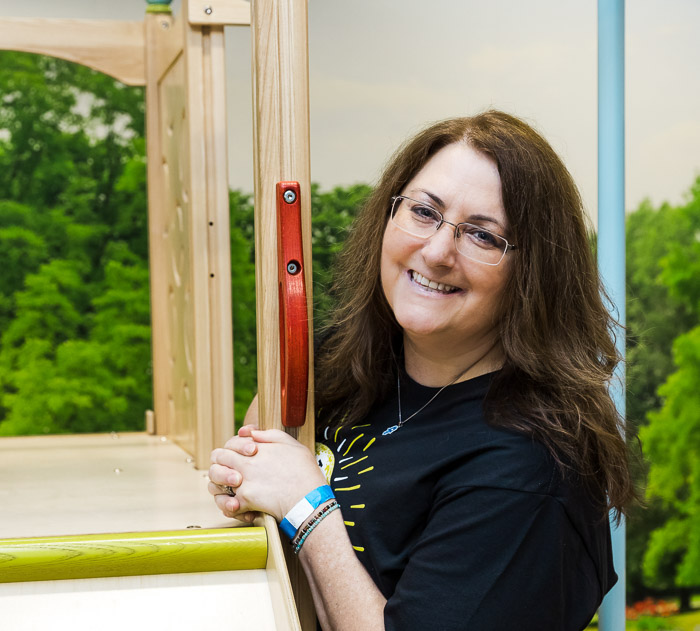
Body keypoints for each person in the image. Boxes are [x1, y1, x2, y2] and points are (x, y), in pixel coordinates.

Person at [208, 110, 636, 631]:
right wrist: (243, 481)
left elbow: (298, 498)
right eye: (424, 212)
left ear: (534, 274)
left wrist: (308, 510)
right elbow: (259, 465)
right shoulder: (343, 364)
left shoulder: (529, 470)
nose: (436, 251)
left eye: (482, 236)